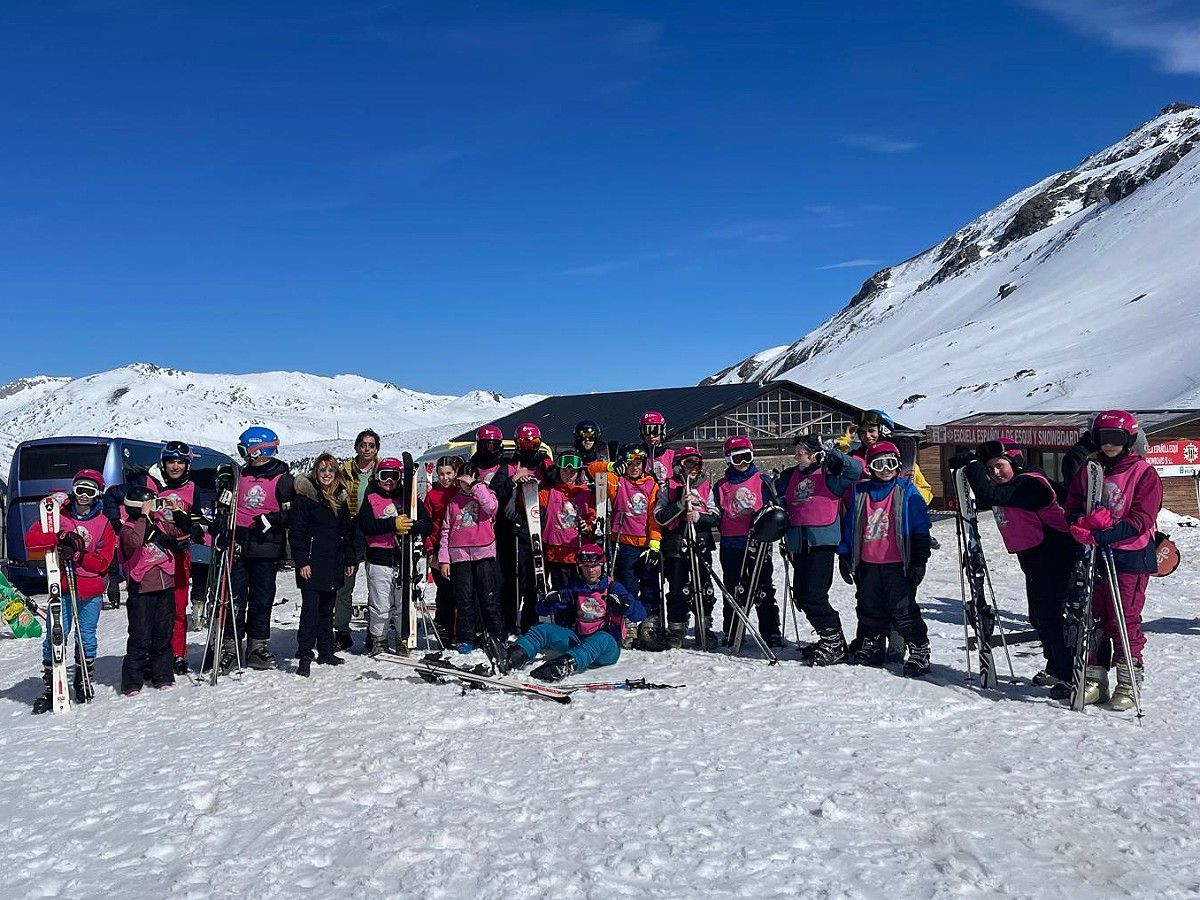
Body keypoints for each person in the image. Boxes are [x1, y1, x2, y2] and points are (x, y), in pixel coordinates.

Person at [1061, 410, 1162, 710]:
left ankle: (1129, 681)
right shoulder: (1090, 470)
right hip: (1094, 554)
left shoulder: (1143, 473)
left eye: (1116, 438)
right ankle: (1094, 676)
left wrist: (1106, 532)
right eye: (1103, 438)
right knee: (1092, 615)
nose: (1109, 445)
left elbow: (1143, 517)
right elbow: (1074, 502)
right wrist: (1079, 521)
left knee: (1124, 619)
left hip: (1130, 554)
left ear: (1129, 439)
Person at [954, 438, 1074, 687]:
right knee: (1039, 618)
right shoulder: (1019, 482)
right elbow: (990, 496)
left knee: (1050, 617)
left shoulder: (1030, 484)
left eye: (999, 466)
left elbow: (988, 495)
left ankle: (1067, 672)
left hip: (1058, 558)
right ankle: (1056, 666)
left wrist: (973, 464)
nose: (995, 473)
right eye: (990, 470)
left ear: (1015, 461)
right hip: (1036, 560)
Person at [838, 441, 933, 676]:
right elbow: (850, 525)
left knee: (903, 609)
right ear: (870, 467)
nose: (886, 469)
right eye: (879, 464)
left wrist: (919, 559)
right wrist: (845, 554)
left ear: (899, 464)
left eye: (891, 463)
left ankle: (919, 649)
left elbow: (921, 525)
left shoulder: (906, 489)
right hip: (868, 563)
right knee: (869, 607)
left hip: (897, 563)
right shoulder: (860, 492)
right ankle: (873, 644)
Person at [26, 469, 117, 712]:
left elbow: (103, 562)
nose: (84, 495)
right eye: (80, 489)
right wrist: (49, 513)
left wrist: (78, 553)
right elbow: (33, 542)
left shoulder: (103, 523)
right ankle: (52, 684)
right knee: (56, 634)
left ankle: (82, 677)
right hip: (62, 586)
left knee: (86, 634)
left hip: (90, 588)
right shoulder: (61, 515)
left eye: (90, 491)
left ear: (98, 494)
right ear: (73, 490)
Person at [776, 434, 863, 665]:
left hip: (821, 542)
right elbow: (779, 493)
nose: (797, 456)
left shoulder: (829, 474)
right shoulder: (792, 475)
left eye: (801, 452)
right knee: (802, 595)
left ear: (814, 453)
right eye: (796, 452)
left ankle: (833, 642)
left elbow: (855, 471)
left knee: (815, 594)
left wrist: (834, 453)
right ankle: (831, 639)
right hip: (799, 541)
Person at [505, 544, 646, 681]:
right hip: (580, 641)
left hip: (606, 649)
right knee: (542, 629)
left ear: (602, 566)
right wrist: (548, 602)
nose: (591, 571)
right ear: (580, 568)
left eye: (595, 566)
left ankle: (564, 666)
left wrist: (624, 606)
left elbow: (640, 614)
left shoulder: (613, 588)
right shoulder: (576, 588)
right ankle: (512, 657)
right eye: (586, 567)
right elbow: (541, 610)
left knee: (602, 638)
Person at [216, 426, 294, 673]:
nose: (241, 453)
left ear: (257, 448)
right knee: (233, 598)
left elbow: (295, 512)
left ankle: (257, 646)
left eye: (244, 448)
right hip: (238, 544)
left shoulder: (283, 479)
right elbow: (224, 506)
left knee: (261, 599)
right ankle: (230, 647)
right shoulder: (240, 476)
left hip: (265, 546)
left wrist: (273, 519)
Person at [116, 485, 190, 694]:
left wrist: (176, 510)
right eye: (151, 505)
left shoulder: (160, 524)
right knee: (140, 635)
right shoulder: (128, 528)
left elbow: (182, 532)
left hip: (165, 584)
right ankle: (132, 681)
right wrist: (144, 517)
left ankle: (163, 675)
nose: (155, 509)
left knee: (163, 633)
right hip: (141, 589)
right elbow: (136, 542)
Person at [713, 436, 784, 647]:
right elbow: (717, 511)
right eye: (737, 459)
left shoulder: (762, 481)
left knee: (763, 587)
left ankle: (771, 631)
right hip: (731, 543)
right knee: (734, 588)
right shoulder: (721, 485)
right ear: (728, 460)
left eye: (747, 457)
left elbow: (774, 508)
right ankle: (733, 629)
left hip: (758, 543)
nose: (743, 463)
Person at [356, 457, 431, 655]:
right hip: (378, 558)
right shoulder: (371, 498)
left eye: (394, 476)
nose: (388, 481)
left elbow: (427, 524)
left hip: (403, 558)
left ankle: (402, 638)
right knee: (380, 604)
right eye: (384, 476)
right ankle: (378, 640)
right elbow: (366, 526)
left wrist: (412, 526)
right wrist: (392, 524)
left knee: (402, 603)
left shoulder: (410, 500)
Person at [290, 454, 355, 675]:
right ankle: (305, 653)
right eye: (322, 470)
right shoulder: (305, 498)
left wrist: (350, 558)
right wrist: (302, 561)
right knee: (311, 610)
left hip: (334, 562)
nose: (326, 474)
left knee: (327, 609)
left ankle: (326, 650)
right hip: (312, 562)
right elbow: (297, 533)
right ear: (315, 472)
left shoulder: (340, 497)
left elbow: (346, 532)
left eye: (330, 470)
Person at [654, 445, 719, 649]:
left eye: (697, 464)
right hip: (676, 543)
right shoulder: (668, 487)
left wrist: (699, 516)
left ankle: (704, 626)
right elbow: (659, 516)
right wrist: (680, 505)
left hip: (699, 542)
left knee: (704, 586)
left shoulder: (705, 486)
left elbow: (716, 515)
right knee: (677, 587)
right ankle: (676, 628)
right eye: (688, 463)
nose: (693, 468)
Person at [438, 462, 505, 653]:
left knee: (488, 598)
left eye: (468, 478)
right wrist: (444, 559)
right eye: (462, 479)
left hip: (483, 553)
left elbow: (491, 508)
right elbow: (445, 531)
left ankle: (496, 635)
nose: (464, 483)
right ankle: (465, 637)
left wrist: (476, 486)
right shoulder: (453, 502)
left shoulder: (487, 495)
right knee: (464, 599)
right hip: (459, 556)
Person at [496, 423, 554, 633]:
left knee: (536, 575)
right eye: (524, 443)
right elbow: (497, 490)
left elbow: (559, 481)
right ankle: (511, 620)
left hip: (541, 526)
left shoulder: (544, 463)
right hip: (517, 527)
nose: (529, 447)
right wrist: (514, 479)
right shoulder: (509, 465)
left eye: (534, 442)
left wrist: (549, 470)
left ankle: (531, 619)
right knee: (514, 576)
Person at [605, 444, 662, 643]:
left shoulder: (651, 485)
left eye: (638, 463)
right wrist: (613, 466)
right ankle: (629, 621)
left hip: (646, 543)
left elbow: (654, 517)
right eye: (630, 464)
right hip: (624, 541)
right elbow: (593, 470)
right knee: (628, 583)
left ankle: (649, 620)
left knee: (649, 583)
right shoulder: (617, 481)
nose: (634, 467)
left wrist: (654, 543)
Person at [334, 429, 380, 651]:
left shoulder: (384, 470)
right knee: (344, 585)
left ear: (376, 448)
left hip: (376, 530)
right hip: (351, 530)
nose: (367, 449)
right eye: (363, 445)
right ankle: (342, 630)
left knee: (377, 585)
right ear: (357, 447)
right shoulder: (345, 471)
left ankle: (374, 632)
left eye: (371, 445)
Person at [840, 409, 933, 505]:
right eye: (863, 432)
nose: (867, 436)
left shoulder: (901, 460)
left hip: (896, 514)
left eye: (872, 431)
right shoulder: (854, 459)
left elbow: (925, 491)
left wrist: (910, 499)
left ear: (883, 430)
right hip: (863, 514)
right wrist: (845, 440)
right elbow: (833, 471)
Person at [539, 452, 595, 589]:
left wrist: (588, 527)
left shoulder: (587, 493)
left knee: (579, 593)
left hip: (580, 554)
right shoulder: (549, 492)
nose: (569, 474)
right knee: (562, 593)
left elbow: (593, 518)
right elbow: (527, 503)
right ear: (558, 471)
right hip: (556, 553)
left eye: (573, 471)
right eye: (564, 470)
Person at [424, 456, 462, 647]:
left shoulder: (460, 491)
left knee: (461, 591)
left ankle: (460, 631)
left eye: (449, 473)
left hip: (460, 547)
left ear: (455, 473)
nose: (445, 478)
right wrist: (430, 550)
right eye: (441, 474)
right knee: (445, 592)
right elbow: (426, 525)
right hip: (439, 547)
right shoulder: (432, 496)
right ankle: (444, 632)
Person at [639, 411, 674, 485]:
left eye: (655, 430)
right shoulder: (637, 454)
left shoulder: (672, 456)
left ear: (662, 431)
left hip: (667, 494)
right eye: (646, 431)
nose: (651, 436)